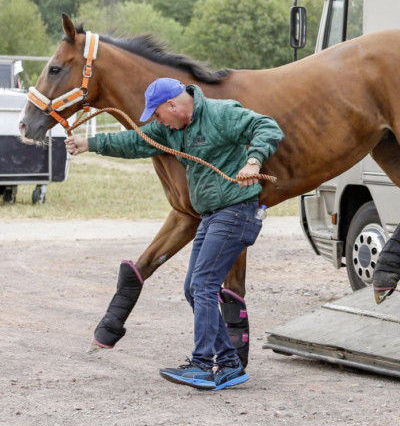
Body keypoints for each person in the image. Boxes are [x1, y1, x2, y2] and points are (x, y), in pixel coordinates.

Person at [66, 77, 282, 391]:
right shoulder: (172, 129)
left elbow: (267, 126)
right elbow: (137, 141)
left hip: (235, 213)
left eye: (157, 115)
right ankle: (231, 365)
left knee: (203, 285)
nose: (157, 122)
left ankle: (203, 366)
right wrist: (90, 144)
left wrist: (253, 160)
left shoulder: (220, 114)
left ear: (172, 105)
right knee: (194, 289)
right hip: (211, 216)